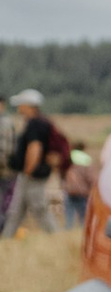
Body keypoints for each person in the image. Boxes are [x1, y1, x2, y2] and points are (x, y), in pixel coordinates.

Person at [1, 89, 75, 237]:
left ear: (29, 105)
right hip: (30, 174)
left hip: (33, 175)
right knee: (16, 210)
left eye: (21, 104)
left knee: (39, 209)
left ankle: (56, 237)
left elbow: (35, 148)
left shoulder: (35, 124)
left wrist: (28, 170)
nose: (19, 108)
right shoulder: (40, 122)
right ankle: (6, 239)